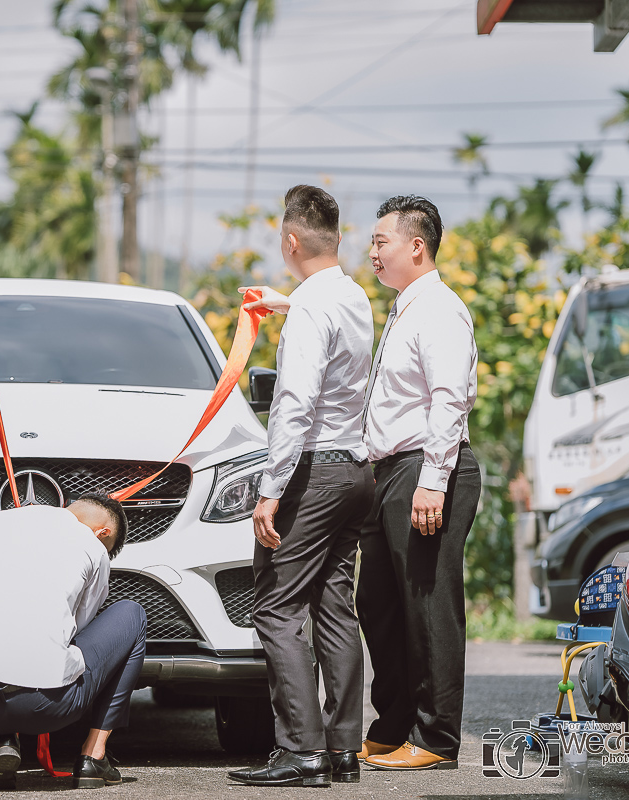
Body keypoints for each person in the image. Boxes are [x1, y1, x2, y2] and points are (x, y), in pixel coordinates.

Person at [226, 185, 375, 788]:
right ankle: (343, 750)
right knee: (335, 607)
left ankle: (301, 751)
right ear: (335, 240)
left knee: (277, 604)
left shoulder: (313, 308)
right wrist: (285, 305)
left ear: (290, 242)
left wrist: (270, 487)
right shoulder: (351, 295)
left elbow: (293, 400)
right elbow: (323, 321)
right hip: (356, 473)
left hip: (312, 473)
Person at [356, 195, 480, 771]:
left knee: (429, 606)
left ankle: (436, 739)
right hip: (390, 472)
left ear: (416, 246)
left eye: (380, 241)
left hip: (427, 470)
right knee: (379, 603)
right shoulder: (406, 307)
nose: (372, 251)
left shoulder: (440, 309)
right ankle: (394, 723)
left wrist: (434, 481)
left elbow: (449, 399)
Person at [0, 494, 145, 791]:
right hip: (46, 706)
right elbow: (78, 628)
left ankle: (2, 741)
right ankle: (94, 756)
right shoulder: (92, 546)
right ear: (102, 532)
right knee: (133, 614)